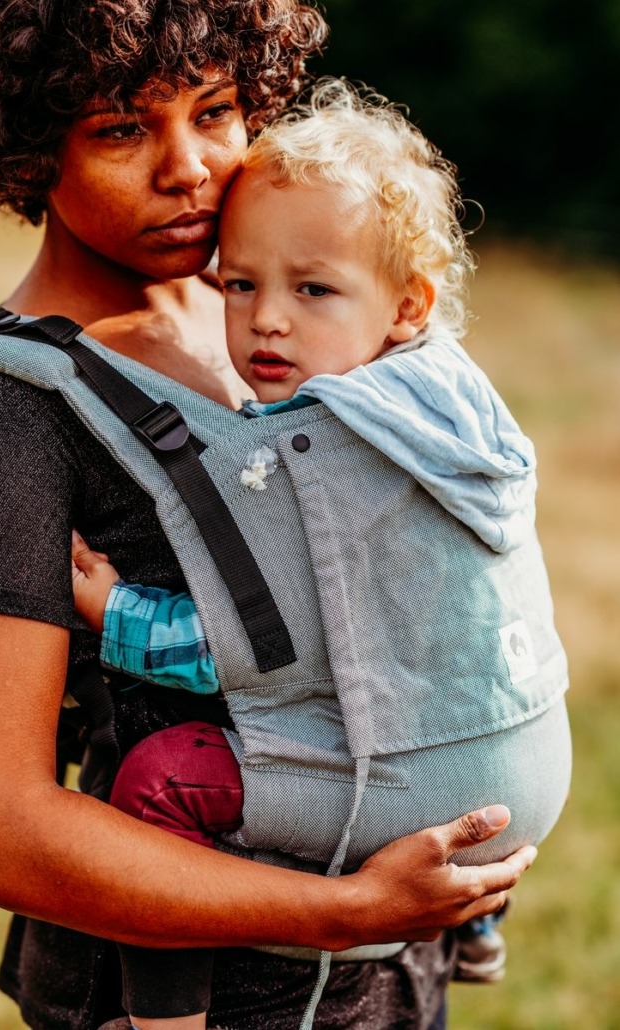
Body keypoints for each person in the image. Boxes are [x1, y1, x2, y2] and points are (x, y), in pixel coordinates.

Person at [0, 5, 538, 1030]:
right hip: (195, 999)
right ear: (33, 145)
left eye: (215, 112)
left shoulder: (276, 320)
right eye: (121, 129)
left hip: (391, 977)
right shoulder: (8, 408)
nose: (191, 169)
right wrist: (341, 910)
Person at [70, 80, 571, 1030]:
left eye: (311, 289)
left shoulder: (328, 456)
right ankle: (478, 926)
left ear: (404, 305)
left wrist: (112, 615)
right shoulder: (455, 401)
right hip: (527, 766)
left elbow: (259, 649)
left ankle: (163, 1021)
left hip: (425, 792)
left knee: (158, 778)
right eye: (241, 283)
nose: (266, 320)